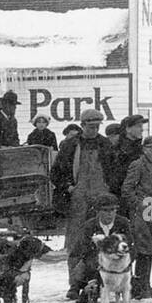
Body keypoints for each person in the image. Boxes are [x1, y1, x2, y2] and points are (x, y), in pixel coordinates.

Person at [52, 108, 118, 253]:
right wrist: (68, 186)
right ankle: (75, 259)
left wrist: (108, 186)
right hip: (79, 193)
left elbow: (114, 170)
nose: (94, 130)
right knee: (76, 229)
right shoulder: (71, 145)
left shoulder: (105, 144)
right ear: (82, 125)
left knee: (102, 228)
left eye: (97, 126)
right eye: (91, 127)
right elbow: (56, 172)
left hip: (100, 192)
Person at [65, 194, 132, 303]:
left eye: (113, 210)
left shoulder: (123, 223)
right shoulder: (89, 226)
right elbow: (81, 249)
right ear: (98, 211)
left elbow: (131, 245)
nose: (110, 214)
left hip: (119, 261)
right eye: (105, 210)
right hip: (95, 261)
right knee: (85, 262)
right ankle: (83, 286)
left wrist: (121, 258)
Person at [121, 134, 152, 300]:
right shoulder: (137, 165)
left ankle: (145, 285)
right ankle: (138, 287)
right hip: (142, 213)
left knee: (150, 249)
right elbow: (127, 189)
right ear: (144, 150)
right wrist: (139, 206)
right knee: (142, 250)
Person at [108, 114, 147, 216]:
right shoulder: (118, 150)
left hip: (139, 197)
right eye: (138, 126)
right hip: (122, 197)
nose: (142, 130)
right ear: (128, 129)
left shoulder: (141, 148)